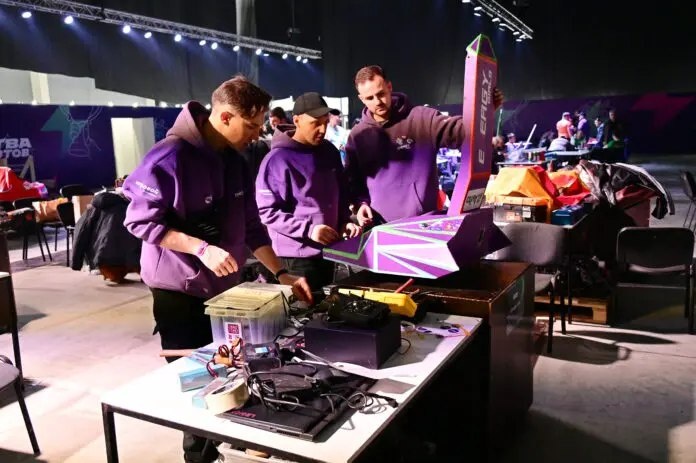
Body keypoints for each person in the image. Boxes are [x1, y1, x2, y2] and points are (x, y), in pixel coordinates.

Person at [122, 76, 312, 463]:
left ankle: (235, 442)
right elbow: (138, 222)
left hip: (225, 293)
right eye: (252, 125)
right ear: (225, 117)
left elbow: (252, 226)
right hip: (180, 293)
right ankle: (199, 457)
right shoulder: (168, 157)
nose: (258, 134)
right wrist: (200, 247)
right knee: (198, 388)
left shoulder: (235, 160)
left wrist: (281, 274)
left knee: (235, 374)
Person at [345, 65, 502, 225]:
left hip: (421, 224)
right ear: (361, 99)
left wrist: (485, 111)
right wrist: (360, 204)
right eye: (370, 98)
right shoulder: (357, 136)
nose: (377, 102)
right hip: (378, 226)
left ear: (389, 87)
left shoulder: (423, 118)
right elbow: (354, 181)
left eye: (381, 94)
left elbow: (462, 131)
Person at [256, 92, 361, 291]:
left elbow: (340, 192)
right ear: (296, 120)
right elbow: (267, 212)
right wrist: (309, 230)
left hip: (329, 250)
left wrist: (344, 221)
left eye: (325, 122)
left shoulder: (329, 151)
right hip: (295, 256)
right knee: (303, 309)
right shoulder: (277, 160)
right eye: (315, 123)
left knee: (325, 306)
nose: (322, 129)